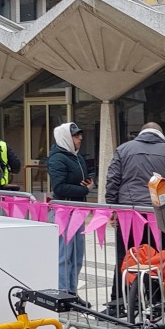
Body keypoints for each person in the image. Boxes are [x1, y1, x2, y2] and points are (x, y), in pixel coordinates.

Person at [104, 121, 165, 310]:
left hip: (129, 216)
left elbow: (112, 181)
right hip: (158, 216)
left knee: (125, 258)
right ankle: (154, 301)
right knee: (157, 259)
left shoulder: (123, 150)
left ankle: (120, 302)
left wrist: (113, 208)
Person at [48, 121, 92, 303]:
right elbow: (59, 187)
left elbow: (81, 181)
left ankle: (72, 292)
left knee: (77, 254)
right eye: (75, 135)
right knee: (64, 254)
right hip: (63, 211)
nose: (80, 138)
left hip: (77, 211)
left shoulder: (77, 158)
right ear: (65, 137)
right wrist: (85, 190)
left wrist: (88, 185)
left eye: (80, 134)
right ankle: (63, 292)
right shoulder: (57, 158)